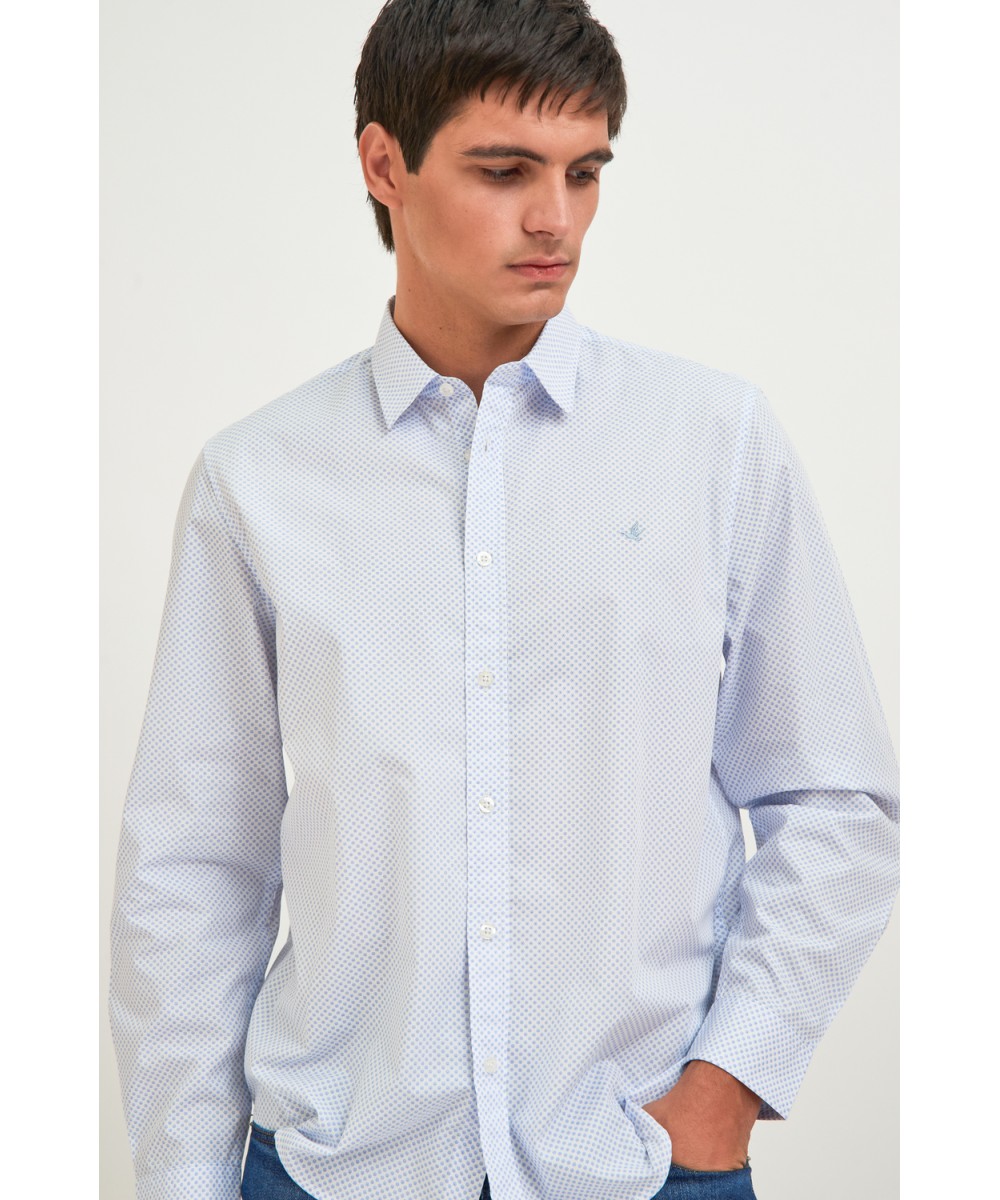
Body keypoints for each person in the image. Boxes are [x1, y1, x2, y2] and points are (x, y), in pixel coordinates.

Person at [108, 2, 900, 1199]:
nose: (556, 220)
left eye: (584, 173)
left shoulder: (711, 444)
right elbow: (193, 869)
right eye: (504, 171)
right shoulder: (256, 480)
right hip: (335, 1167)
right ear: (385, 165)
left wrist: (729, 1083)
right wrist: (181, 1179)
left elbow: (835, 797)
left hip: (639, 1163)